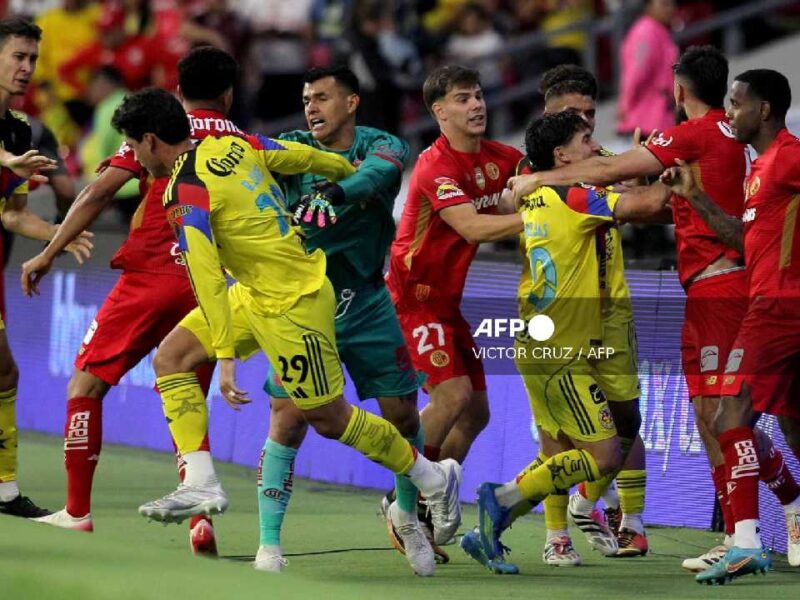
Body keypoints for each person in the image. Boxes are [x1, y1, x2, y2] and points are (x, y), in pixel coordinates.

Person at [109, 88, 463, 568]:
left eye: (131, 145)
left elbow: (207, 276)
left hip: (294, 302)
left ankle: (431, 477)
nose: (132, 155)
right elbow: (294, 156)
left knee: (329, 419)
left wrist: (226, 355)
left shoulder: (182, 191)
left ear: (151, 141)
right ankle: (200, 480)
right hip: (255, 291)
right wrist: (342, 171)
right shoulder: (230, 144)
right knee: (172, 357)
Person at [508, 46, 800, 572]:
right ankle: (772, 515)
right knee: (724, 416)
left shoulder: (694, 133)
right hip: (703, 291)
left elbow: (618, 172)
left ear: (679, 89)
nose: (590, 133)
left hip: (718, 292)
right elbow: (669, 209)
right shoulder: (726, 146)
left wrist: (539, 178)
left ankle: (746, 532)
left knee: (722, 416)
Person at [22, 47, 246, 557]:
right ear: (229, 95)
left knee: (86, 381)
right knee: (186, 398)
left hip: (152, 271)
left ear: (178, 89)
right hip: (210, 281)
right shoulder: (243, 143)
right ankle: (198, 521)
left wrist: (49, 252)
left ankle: (77, 511)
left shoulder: (159, 127)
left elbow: (99, 193)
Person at [460, 111, 671, 574]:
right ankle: (508, 500)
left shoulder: (537, 195)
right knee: (600, 454)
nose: (596, 146)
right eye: (587, 138)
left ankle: (490, 526)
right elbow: (653, 208)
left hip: (554, 342)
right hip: (558, 351)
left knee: (597, 441)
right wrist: (682, 176)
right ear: (561, 155)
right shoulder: (572, 196)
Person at [256, 65, 432, 574]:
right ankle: (269, 543)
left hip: (368, 301)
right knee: (288, 419)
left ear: (352, 103)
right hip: (304, 306)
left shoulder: (386, 145)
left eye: (322, 98)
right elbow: (247, 164)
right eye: (307, 98)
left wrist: (334, 193)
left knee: (403, 415)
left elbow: (379, 173)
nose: (311, 107)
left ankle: (406, 515)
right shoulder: (288, 147)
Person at [660, 69, 800, 583]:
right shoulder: (761, 170)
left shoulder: (788, 155)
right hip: (774, 302)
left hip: (776, 307)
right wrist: (694, 196)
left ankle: (744, 541)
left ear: (763, 110)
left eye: (736, 104)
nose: (729, 113)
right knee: (793, 429)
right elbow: (741, 241)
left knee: (728, 410)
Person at [386, 65, 523, 499]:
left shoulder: (500, 159)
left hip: (447, 304)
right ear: (439, 111)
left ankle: (430, 504)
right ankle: (401, 502)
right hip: (411, 300)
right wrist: (542, 214)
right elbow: (474, 228)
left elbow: (544, 174)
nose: (477, 105)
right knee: (452, 396)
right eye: (464, 98)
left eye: (479, 95)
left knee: (476, 414)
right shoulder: (434, 167)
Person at [0, 17, 92, 519]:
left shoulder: (19, 129)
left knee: (4, 371)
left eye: (33, 58)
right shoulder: (9, 144)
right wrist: (5, 162)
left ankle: (5, 491)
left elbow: (11, 213)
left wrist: (62, 236)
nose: (27, 68)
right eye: (18, 56)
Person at [617, 0, 678, 137]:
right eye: (664, 4)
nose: (670, 9)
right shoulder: (645, 31)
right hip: (644, 120)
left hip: (659, 117)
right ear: (648, 7)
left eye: (672, 4)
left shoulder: (659, 30)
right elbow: (637, 72)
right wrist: (625, 104)